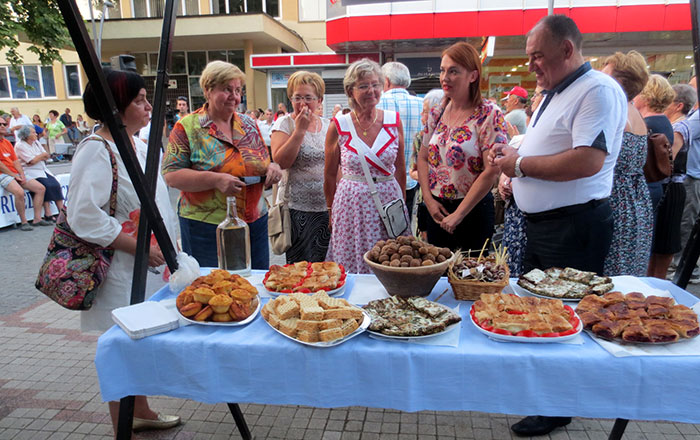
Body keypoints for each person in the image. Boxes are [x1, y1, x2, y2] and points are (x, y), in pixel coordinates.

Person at [490, 15, 626, 437]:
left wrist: (521, 166)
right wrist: (514, 166)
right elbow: (545, 146)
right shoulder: (557, 89)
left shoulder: (597, 90)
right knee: (538, 309)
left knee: (565, 318)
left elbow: (589, 159)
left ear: (567, 50)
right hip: (544, 224)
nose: (531, 65)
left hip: (572, 226)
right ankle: (544, 395)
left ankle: (558, 407)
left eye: (537, 56)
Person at [73, 67, 180, 434]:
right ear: (116, 107)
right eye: (139, 100)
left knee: (141, 343)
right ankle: (123, 422)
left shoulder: (132, 143)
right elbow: (83, 217)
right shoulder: (97, 151)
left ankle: (142, 409)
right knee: (122, 346)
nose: (148, 106)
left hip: (146, 270)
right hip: (121, 272)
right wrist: (139, 248)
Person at [163, 61, 282, 269]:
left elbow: (263, 161)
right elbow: (172, 175)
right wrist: (215, 180)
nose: (234, 97)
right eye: (227, 89)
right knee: (215, 288)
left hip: (254, 221)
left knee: (255, 284)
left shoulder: (248, 124)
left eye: (238, 90)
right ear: (208, 90)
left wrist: (272, 167)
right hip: (208, 227)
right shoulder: (188, 127)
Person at [417, 42, 506, 253]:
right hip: (437, 209)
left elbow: (491, 170)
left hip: (473, 210)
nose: (445, 77)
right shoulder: (437, 111)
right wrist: (429, 201)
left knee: (470, 277)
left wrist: (459, 214)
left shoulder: (488, 113)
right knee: (437, 276)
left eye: (454, 71)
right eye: (443, 70)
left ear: (473, 76)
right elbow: (422, 158)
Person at [324, 58, 407, 273]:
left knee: (393, 259)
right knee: (351, 259)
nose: (371, 90)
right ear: (350, 91)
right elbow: (330, 175)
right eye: (363, 86)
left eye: (375, 84)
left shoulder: (392, 120)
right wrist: (331, 210)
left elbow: (400, 169)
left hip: (388, 204)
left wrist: (402, 207)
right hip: (351, 206)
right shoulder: (339, 125)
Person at [600, 51, 653, 276]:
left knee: (613, 269)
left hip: (616, 200)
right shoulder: (635, 112)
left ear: (618, 82)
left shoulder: (617, 110)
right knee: (628, 268)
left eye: (604, 75)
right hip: (636, 200)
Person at [271, 71, 331, 263]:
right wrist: (300, 131)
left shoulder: (328, 125)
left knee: (325, 268)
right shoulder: (285, 123)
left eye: (308, 98)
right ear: (290, 99)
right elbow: (281, 162)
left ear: (319, 100)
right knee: (299, 269)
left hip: (325, 208)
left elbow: (336, 167)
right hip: (298, 210)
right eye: (297, 97)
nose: (303, 103)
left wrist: (335, 204)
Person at [634, 74, 682, 278]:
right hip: (658, 186)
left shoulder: (648, 124)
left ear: (646, 96)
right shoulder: (665, 122)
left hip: (646, 186)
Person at [497, 85, 544, 277]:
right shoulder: (530, 123)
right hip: (518, 214)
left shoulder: (515, 116)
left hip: (536, 218)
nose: (533, 99)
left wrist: (513, 168)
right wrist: (504, 177)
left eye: (538, 94)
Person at [378, 61, 424, 223]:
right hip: (413, 180)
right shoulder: (423, 106)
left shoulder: (376, 104)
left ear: (387, 81)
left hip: (382, 182)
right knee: (404, 227)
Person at [0, 116, 50, 230]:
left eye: (4, 124)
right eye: (0, 124)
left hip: (14, 173)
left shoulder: (7, 143)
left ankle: (37, 219)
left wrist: (21, 174)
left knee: (40, 188)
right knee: (19, 192)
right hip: (3, 174)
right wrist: (15, 175)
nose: (3, 126)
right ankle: (24, 222)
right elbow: (1, 165)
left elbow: (15, 161)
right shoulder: (16, 144)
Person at [671, 82, 700, 279]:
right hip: (690, 176)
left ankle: (688, 270)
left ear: (679, 105)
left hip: (691, 177)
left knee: (686, 224)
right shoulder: (692, 118)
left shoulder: (693, 120)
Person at [409, 88, 444, 240]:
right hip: (427, 200)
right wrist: (432, 176)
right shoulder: (420, 138)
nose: (422, 117)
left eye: (425, 112)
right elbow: (413, 171)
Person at [14, 126, 65, 222]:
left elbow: (47, 155)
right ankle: (48, 213)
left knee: (56, 185)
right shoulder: (20, 145)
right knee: (46, 185)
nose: (36, 134)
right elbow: (31, 161)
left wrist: (39, 157)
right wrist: (41, 156)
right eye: (33, 133)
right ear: (26, 135)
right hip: (30, 171)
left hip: (42, 169)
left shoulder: (36, 143)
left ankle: (62, 212)